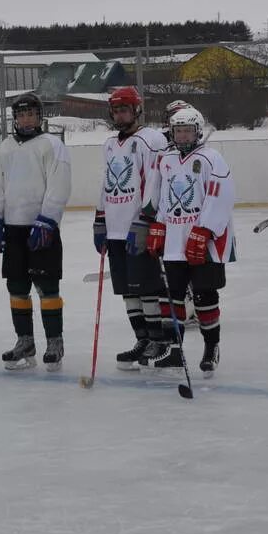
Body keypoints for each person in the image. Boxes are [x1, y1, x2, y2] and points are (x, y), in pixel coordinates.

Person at [143, 105, 234, 377]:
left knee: (205, 296)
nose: (182, 136)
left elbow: (221, 195)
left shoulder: (211, 158)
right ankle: (174, 350)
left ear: (198, 132)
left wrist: (204, 229)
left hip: (202, 241)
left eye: (187, 131)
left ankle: (211, 347)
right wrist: (159, 225)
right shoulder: (167, 159)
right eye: (178, 131)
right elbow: (164, 197)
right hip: (173, 241)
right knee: (172, 297)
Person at [0, 92, 72, 371]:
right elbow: (0, 186)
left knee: (47, 287)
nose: (26, 119)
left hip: (41, 228)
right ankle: (25, 341)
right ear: (15, 118)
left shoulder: (51, 145)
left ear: (40, 116)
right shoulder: (6, 147)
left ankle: (54, 342)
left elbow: (59, 184)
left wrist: (48, 219)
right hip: (13, 229)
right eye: (21, 114)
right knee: (17, 287)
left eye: (31, 114)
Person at [91, 86, 173, 370]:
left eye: (124, 109)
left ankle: (158, 340)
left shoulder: (151, 140)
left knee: (147, 287)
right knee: (128, 290)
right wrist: (100, 218)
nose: (120, 114)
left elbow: (156, 183)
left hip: (137, 227)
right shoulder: (110, 144)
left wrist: (147, 220)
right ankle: (141, 339)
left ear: (137, 110)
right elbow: (107, 182)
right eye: (115, 110)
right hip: (114, 228)